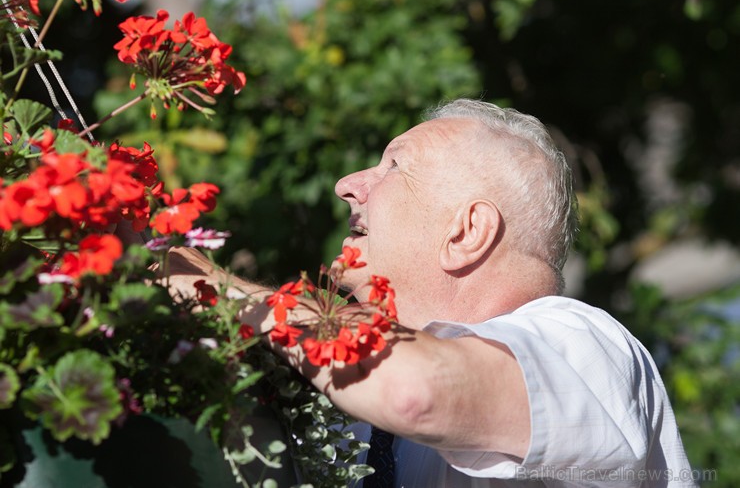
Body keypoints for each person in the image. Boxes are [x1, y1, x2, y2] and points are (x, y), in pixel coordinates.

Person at [165, 98, 696, 487]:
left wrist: (206, 283)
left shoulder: (584, 343)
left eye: (394, 166)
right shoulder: (360, 413)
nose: (347, 184)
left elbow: (416, 392)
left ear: (466, 233)